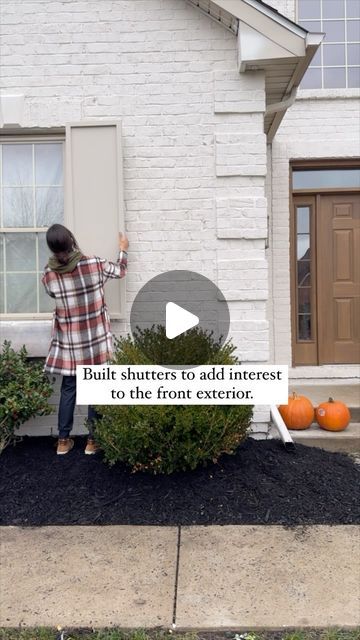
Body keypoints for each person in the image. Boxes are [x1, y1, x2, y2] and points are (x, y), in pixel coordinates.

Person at [42, 223, 128, 455]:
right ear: (71, 240)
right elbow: (120, 270)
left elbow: (52, 293)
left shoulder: (48, 275)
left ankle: (62, 441)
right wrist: (123, 249)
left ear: (51, 248)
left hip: (70, 342)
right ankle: (92, 441)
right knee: (95, 386)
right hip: (95, 338)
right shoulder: (94, 264)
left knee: (68, 388)